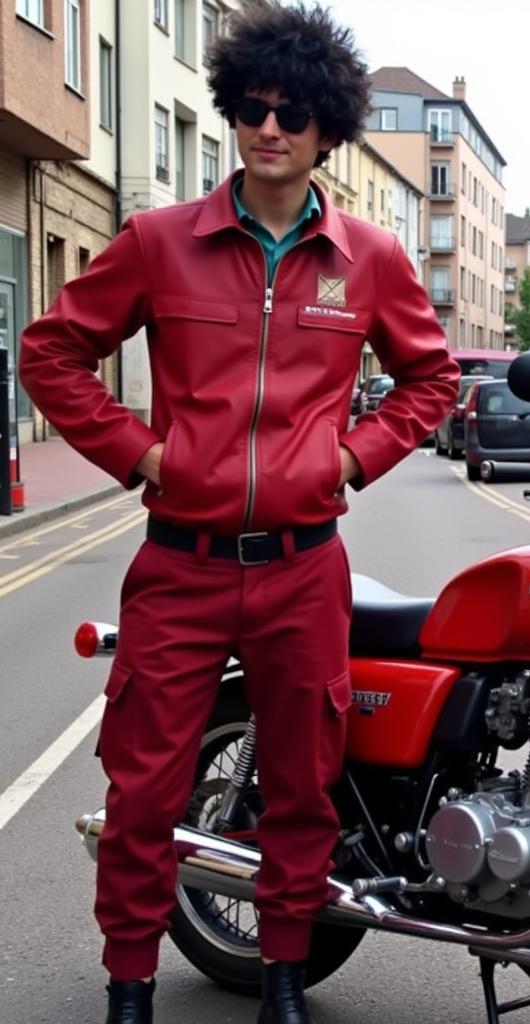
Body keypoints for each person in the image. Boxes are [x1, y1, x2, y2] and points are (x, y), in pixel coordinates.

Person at [18, 4, 459, 1023]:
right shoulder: (159, 242)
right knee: (143, 795)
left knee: (302, 792)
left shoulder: (370, 260)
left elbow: (430, 381)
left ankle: (282, 981)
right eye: (254, 109)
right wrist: (139, 454)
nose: (270, 128)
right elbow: (51, 352)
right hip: (180, 565)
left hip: (307, 568)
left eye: (293, 113)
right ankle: (130, 984)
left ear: (326, 132)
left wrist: (352, 457)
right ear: (232, 112)